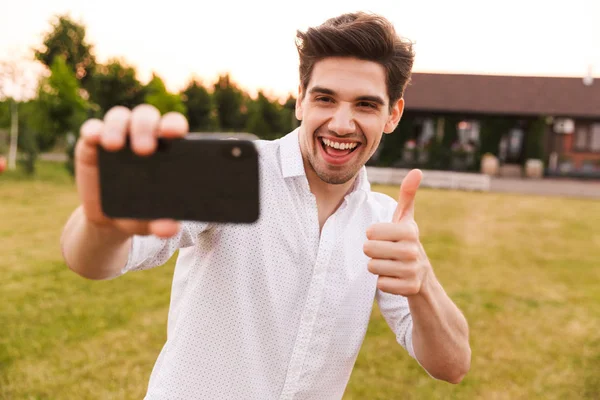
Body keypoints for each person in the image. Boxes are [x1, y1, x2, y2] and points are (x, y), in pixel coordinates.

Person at [60, 11, 471, 399]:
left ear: (393, 114)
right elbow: (95, 262)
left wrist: (423, 284)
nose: (342, 124)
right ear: (300, 101)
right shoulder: (232, 173)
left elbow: (452, 365)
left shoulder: (383, 224)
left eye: (365, 104)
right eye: (325, 99)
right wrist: (103, 224)